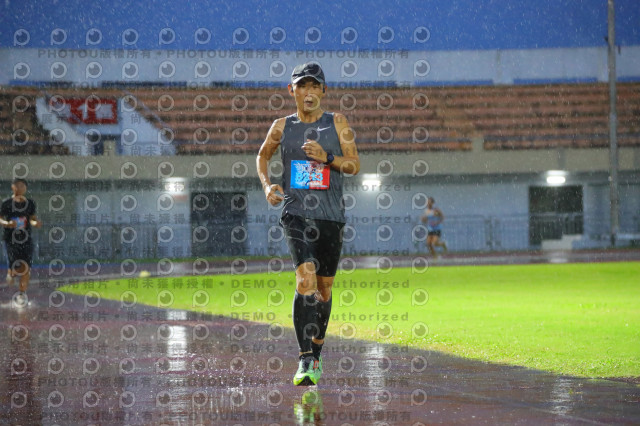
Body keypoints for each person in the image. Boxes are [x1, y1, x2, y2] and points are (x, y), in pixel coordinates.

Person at [256, 62, 360, 386]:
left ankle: (316, 351)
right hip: (296, 213)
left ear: (324, 91)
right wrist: (267, 186)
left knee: (324, 290)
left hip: (330, 216)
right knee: (306, 280)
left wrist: (327, 158)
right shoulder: (281, 126)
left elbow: (354, 165)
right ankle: (304, 359)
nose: (309, 92)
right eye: (303, 86)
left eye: (315, 86)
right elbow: (262, 156)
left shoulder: (337, 122)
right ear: (292, 91)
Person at [1, 178, 42, 305]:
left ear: (26, 188)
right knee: (15, 268)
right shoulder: (6, 203)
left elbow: (32, 218)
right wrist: (7, 223)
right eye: (17, 185)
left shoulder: (30, 203)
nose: (20, 188)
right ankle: (11, 273)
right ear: (12, 187)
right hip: (11, 240)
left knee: (26, 268)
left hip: (26, 239)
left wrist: (35, 223)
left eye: (23, 186)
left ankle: (21, 294)